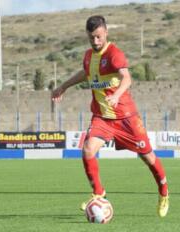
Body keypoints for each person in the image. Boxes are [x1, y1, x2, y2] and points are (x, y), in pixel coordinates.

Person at [51, 15, 169, 217]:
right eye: (91, 38)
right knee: (88, 149)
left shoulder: (114, 54)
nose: (95, 42)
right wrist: (63, 86)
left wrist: (116, 94)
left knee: (148, 157)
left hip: (126, 118)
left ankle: (164, 193)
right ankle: (98, 193)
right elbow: (85, 73)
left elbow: (127, 78)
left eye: (98, 37)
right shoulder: (88, 56)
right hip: (102, 118)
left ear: (105, 31)